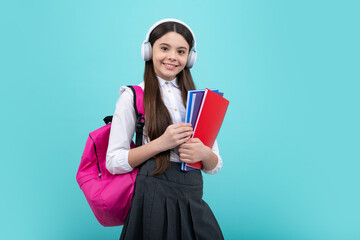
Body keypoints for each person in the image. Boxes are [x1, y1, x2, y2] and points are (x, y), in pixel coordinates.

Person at [106, 18, 224, 240]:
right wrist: (161, 143)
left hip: (191, 195)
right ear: (149, 51)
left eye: (181, 51)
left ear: (190, 58)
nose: (172, 56)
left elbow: (214, 165)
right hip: (152, 199)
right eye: (164, 48)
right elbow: (113, 162)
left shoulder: (199, 102)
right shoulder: (132, 97)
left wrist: (204, 154)